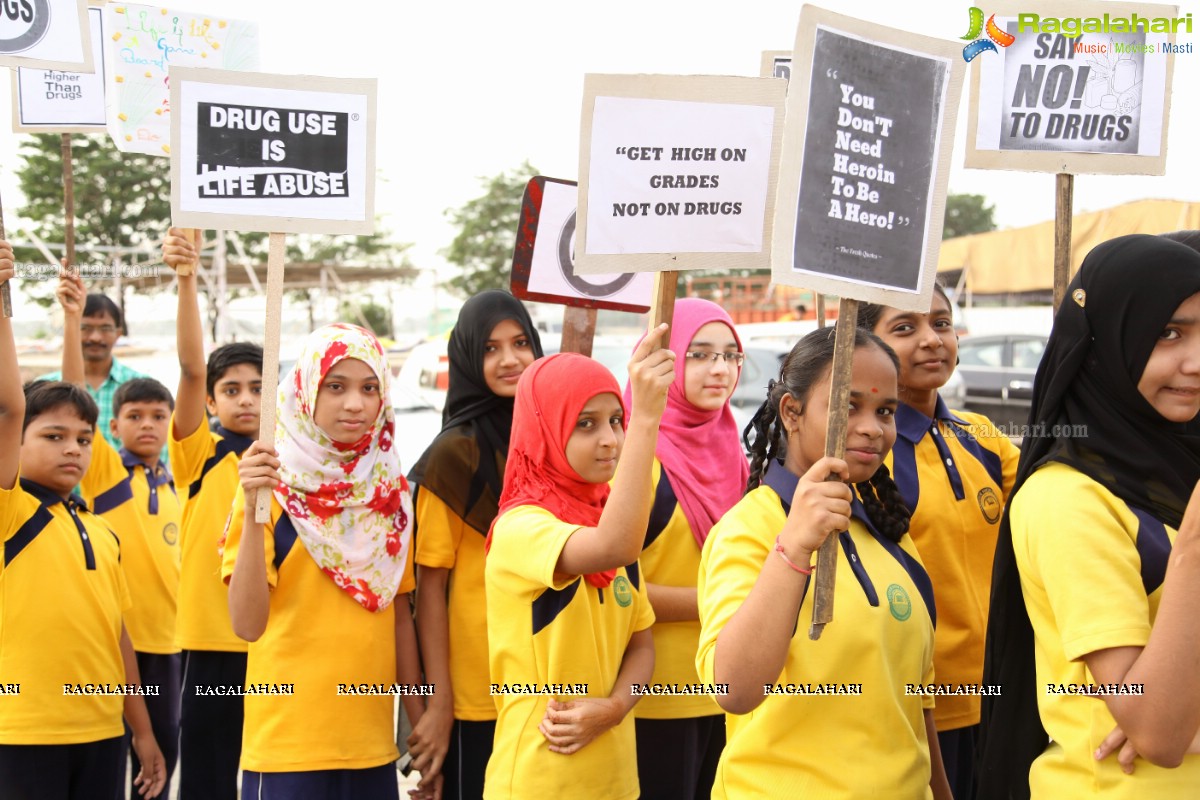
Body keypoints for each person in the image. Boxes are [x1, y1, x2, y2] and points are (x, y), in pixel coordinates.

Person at [979, 234, 1200, 799]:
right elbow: (1154, 727)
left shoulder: (1176, 467)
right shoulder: (1068, 498)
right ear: (1107, 343)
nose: (1195, 362)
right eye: (1168, 333)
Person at [696, 327, 952, 799]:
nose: (873, 428)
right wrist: (793, 547)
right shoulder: (750, 529)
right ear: (791, 412)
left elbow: (917, 700)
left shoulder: (887, 530)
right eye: (848, 406)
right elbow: (733, 689)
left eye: (886, 411)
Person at [224, 322, 424, 800]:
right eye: (336, 387)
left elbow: (398, 618)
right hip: (286, 747)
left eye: (369, 388)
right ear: (305, 391)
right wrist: (255, 506)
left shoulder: (391, 496)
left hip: (372, 749)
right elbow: (247, 623)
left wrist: (422, 728)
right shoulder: (268, 487)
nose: (355, 404)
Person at [0, 239, 167, 799]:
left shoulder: (98, 525)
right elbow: (10, 405)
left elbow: (118, 635)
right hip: (21, 733)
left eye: (82, 439)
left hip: (101, 733)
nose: (72, 449)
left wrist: (141, 732)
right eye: (52, 437)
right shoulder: (8, 508)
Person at [483, 328, 675, 800]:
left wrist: (614, 708)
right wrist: (647, 421)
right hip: (538, 780)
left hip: (614, 780)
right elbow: (614, 547)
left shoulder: (607, 518)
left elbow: (641, 646)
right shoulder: (521, 528)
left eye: (617, 420)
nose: (610, 439)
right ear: (543, 427)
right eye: (585, 423)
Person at [858, 285, 1019, 799]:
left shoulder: (982, 435)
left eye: (941, 324)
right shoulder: (864, 457)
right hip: (916, 707)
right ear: (864, 344)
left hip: (1001, 695)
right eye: (904, 328)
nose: (931, 340)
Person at [407, 291, 544, 800]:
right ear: (467, 356)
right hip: (478, 694)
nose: (509, 359)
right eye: (490, 348)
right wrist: (439, 702)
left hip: (552, 682)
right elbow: (430, 592)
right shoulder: (453, 454)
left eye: (520, 342)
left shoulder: (558, 438)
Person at [58, 267, 184, 795]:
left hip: (177, 646)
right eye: (135, 416)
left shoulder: (181, 479)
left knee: (163, 763)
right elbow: (69, 392)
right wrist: (69, 317)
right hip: (121, 643)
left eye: (160, 415)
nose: (149, 425)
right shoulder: (107, 475)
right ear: (112, 427)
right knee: (120, 758)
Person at [624, 299, 745, 799]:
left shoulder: (736, 450)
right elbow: (613, 590)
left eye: (730, 355)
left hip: (730, 691)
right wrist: (724, 604)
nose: (719, 368)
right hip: (656, 698)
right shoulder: (633, 455)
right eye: (697, 354)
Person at [162, 228, 262, 800]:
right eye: (231, 389)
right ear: (211, 401)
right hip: (212, 647)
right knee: (208, 777)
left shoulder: (286, 461)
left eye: (256, 387)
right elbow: (191, 368)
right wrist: (186, 277)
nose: (245, 398)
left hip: (272, 643)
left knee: (266, 770)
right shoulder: (198, 452)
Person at [41, 289, 148, 449]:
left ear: (118, 334)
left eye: (105, 329)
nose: (95, 337)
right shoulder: (45, 389)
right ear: (71, 330)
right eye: (85, 328)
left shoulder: (142, 388)